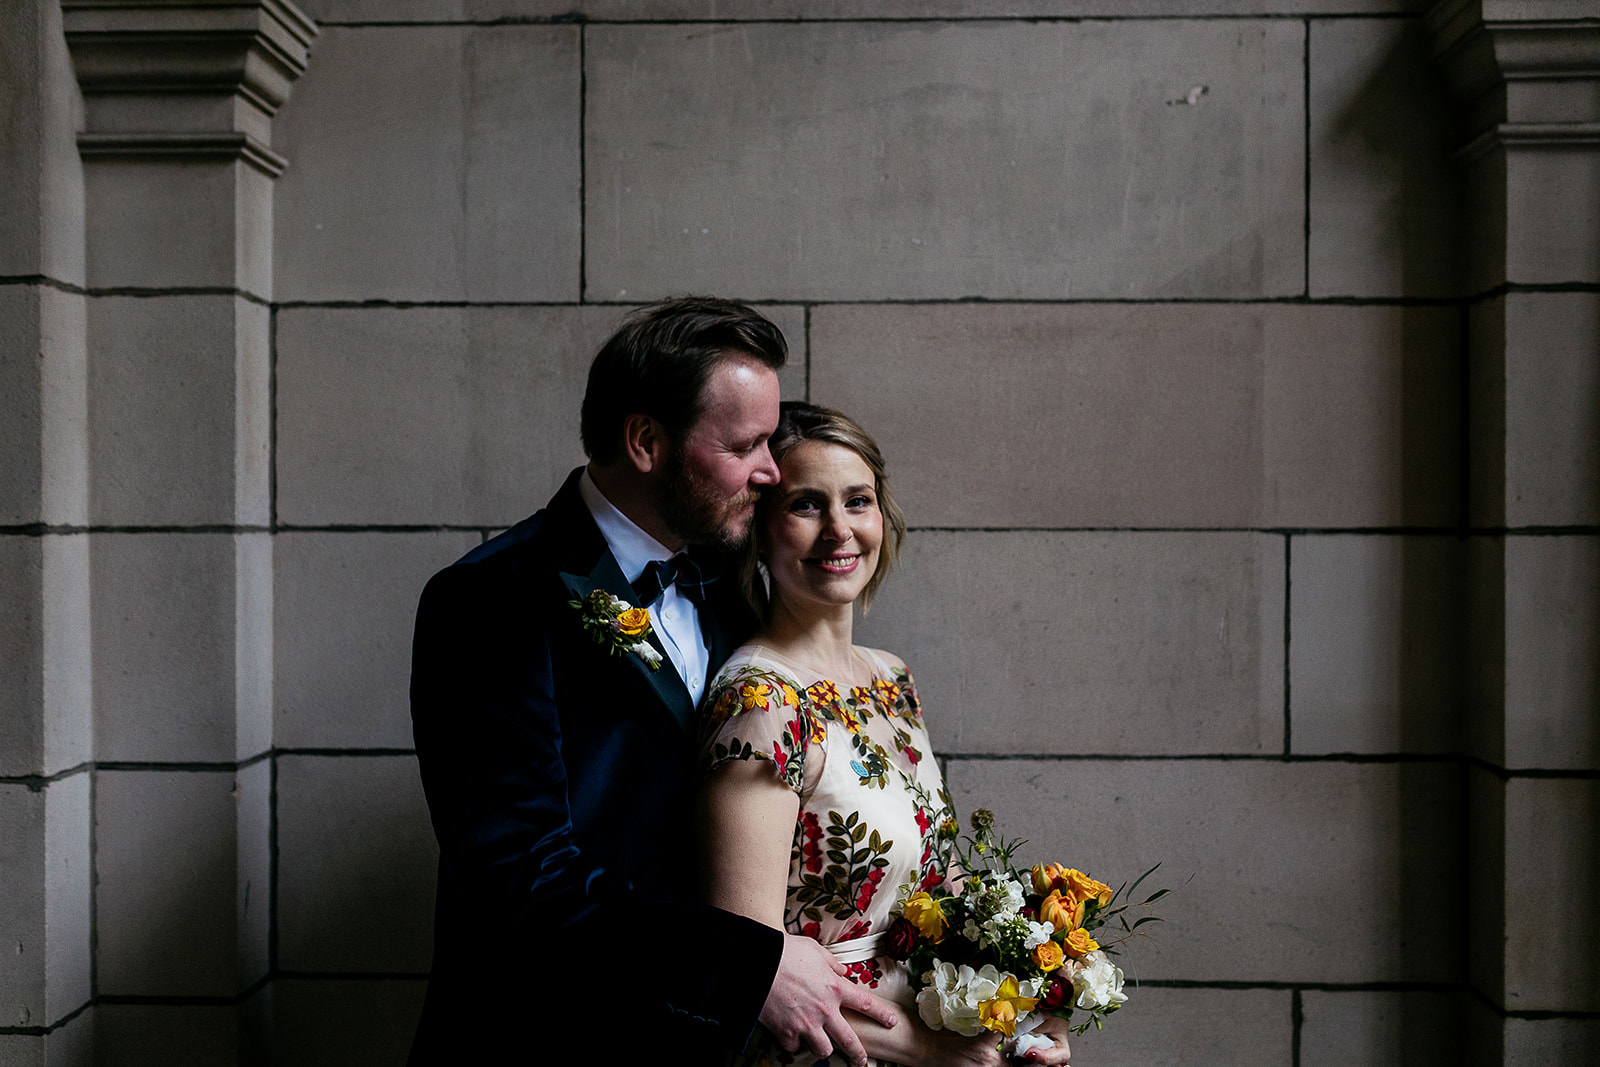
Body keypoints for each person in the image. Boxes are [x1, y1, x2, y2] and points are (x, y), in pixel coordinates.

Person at [408, 300, 897, 1064]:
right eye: (746, 445)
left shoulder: (728, 576)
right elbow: (520, 878)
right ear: (645, 441)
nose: (771, 472)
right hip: (551, 1040)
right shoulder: (490, 598)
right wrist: (748, 965)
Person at [699, 403, 1074, 1066]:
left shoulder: (890, 676)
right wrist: (930, 1050)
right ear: (759, 530)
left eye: (858, 500)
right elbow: (746, 965)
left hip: (928, 1035)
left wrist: (1023, 1016)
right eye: (807, 505)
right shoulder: (760, 697)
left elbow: (938, 878)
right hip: (824, 1051)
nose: (839, 529)